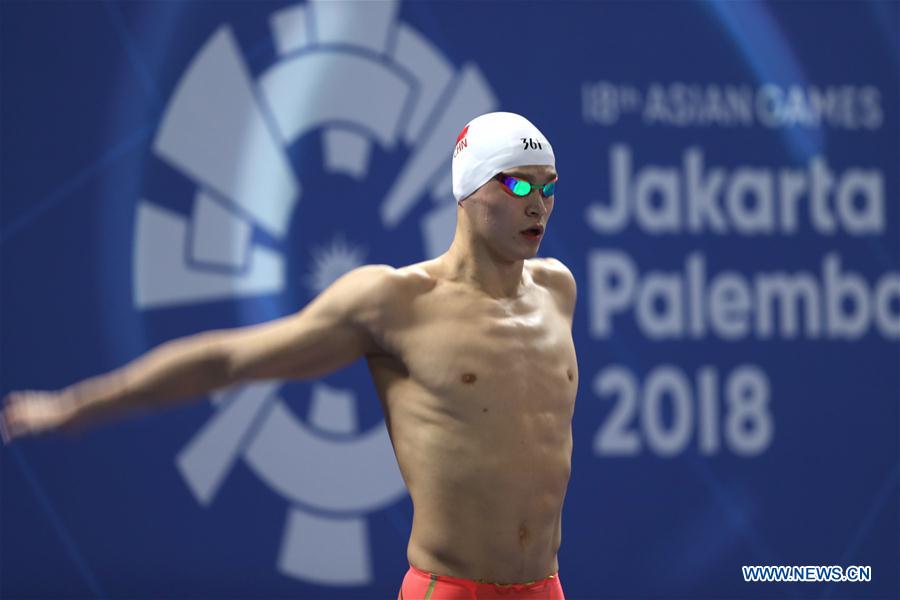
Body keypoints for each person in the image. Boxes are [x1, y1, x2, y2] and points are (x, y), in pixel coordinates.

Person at [2, 112, 575, 599]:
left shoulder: (558, 291)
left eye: (548, 187)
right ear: (469, 191)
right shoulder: (397, 303)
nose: (539, 206)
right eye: (518, 187)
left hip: (547, 588)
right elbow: (229, 361)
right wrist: (80, 404)